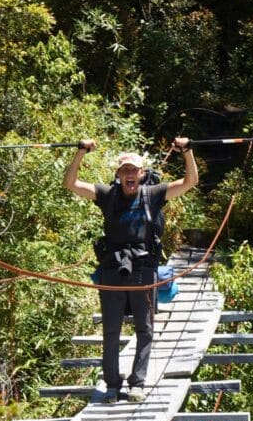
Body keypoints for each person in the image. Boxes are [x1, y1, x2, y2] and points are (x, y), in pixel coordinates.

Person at [63, 137, 198, 403]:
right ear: (118, 174)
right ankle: (112, 385)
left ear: (142, 174)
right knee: (111, 330)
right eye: (124, 170)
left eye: (133, 170)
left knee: (144, 329)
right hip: (113, 269)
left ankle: (138, 383)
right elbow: (71, 184)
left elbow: (189, 182)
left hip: (144, 269)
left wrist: (188, 152)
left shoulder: (154, 194)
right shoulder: (107, 195)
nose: (129, 175)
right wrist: (80, 153)